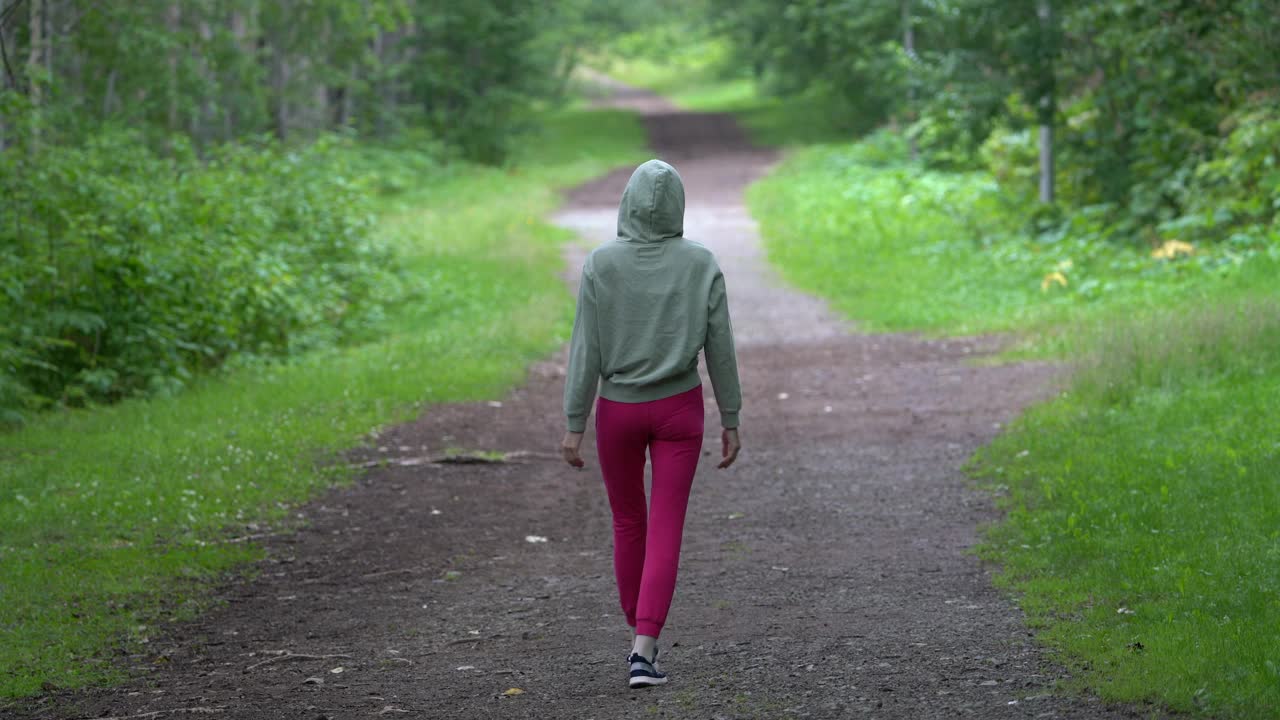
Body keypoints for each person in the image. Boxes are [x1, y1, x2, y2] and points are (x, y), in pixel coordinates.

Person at [560, 158, 742, 689]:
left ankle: (637, 639)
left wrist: (575, 423)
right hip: (679, 410)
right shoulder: (700, 264)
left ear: (627, 204)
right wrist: (731, 415)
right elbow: (721, 350)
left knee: (627, 522)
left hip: (616, 411)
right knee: (665, 525)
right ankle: (645, 647)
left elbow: (585, 351)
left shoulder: (601, 265)